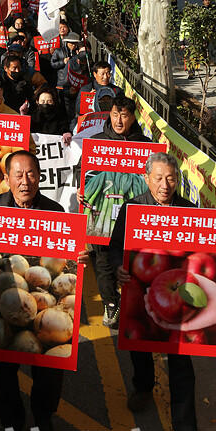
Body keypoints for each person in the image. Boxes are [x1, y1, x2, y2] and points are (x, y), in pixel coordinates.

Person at [0, 150, 88, 431]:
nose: (25, 181)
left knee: (48, 371)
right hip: (2, 306)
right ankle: (11, 423)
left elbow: (66, 259)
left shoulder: (55, 212)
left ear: (39, 177)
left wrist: (78, 256)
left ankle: (44, 419)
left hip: (41, 301)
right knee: (5, 371)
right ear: (5, 178)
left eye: (31, 174)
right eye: (18, 175)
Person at [108, 153, 215, 431]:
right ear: (146, 178)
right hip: (139, 292)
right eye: (158, 177)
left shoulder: (190, 211)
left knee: (182, 362)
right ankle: (143, 387)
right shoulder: (132, 209)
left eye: (171, 178)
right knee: (140, 347)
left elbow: (206, 251)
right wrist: (119, 266)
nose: (165, 185)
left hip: (178, 296)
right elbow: (116, 247)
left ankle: (184, 430)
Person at [88, 95, 153, 328]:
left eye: (123, 115)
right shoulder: (97, 142)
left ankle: (132, 300)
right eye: (115, 114)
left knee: (132, 260)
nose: (118, 120)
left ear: (132, 117)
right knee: (103, 261)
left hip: (133, 218)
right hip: (103, 215)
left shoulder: (145, 146)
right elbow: (83, 172)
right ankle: (110, 302)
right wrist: (81, 189)